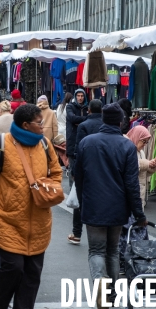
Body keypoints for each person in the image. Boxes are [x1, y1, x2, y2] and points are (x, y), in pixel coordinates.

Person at [0, 104, 62, 309]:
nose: (43, 126)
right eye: (39, 123)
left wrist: (47, 186)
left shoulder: (45, 145)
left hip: (39, 221)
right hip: (7, 219)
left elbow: (56, 173)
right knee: (13, 267)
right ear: (26, 125)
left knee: (32, 273)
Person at [74, 104, 146, 305]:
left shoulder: (87, 143)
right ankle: (113, 293)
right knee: (113, 251)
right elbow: (132, 184)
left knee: (96, 250)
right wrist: (138, 213)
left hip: (93, 204)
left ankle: (99, 282)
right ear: (121, 122)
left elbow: (78, 176)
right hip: (117, 206)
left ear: (103, 120)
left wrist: (83, 201)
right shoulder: (127, 146)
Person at [67, 99, 103, 245]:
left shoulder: (83, 126)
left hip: (87, 168)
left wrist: (75, 171)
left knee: (80, 200)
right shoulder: (106, 125)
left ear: (88, 110)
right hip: (103, 168)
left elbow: (78, 150)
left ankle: (77, 233)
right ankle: (100, 232)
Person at [65, 89, 88, 244]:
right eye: (78, 96)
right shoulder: (70, 107)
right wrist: (84, 119)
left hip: (83, 147)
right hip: (73, 146)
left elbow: (78, 120)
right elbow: (72, 119)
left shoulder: (85, 108)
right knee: (74, 176)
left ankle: (77, 232)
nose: (80, 98)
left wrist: (82, 120)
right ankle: (74, 189)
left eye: (82, 96)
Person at [127, 125, 156, 209]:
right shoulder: (127, 149)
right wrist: (147, 163)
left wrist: (152, 165)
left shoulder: (141, 152)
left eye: (147, 142)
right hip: (130, 192)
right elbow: (130, 167)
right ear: (137, 137)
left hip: (139, 192)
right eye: (143, 141)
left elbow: (143, 173)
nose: (145, 144)